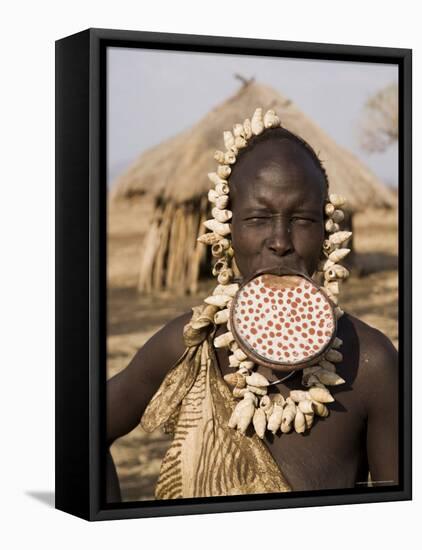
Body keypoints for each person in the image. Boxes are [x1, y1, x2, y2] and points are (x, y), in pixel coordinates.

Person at [106, 109, 398, 501]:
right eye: (258, 218)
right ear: (227, 233)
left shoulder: (371, 364)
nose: (280, 240)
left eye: (302, 219)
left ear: (327, 234)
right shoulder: (190, 346)